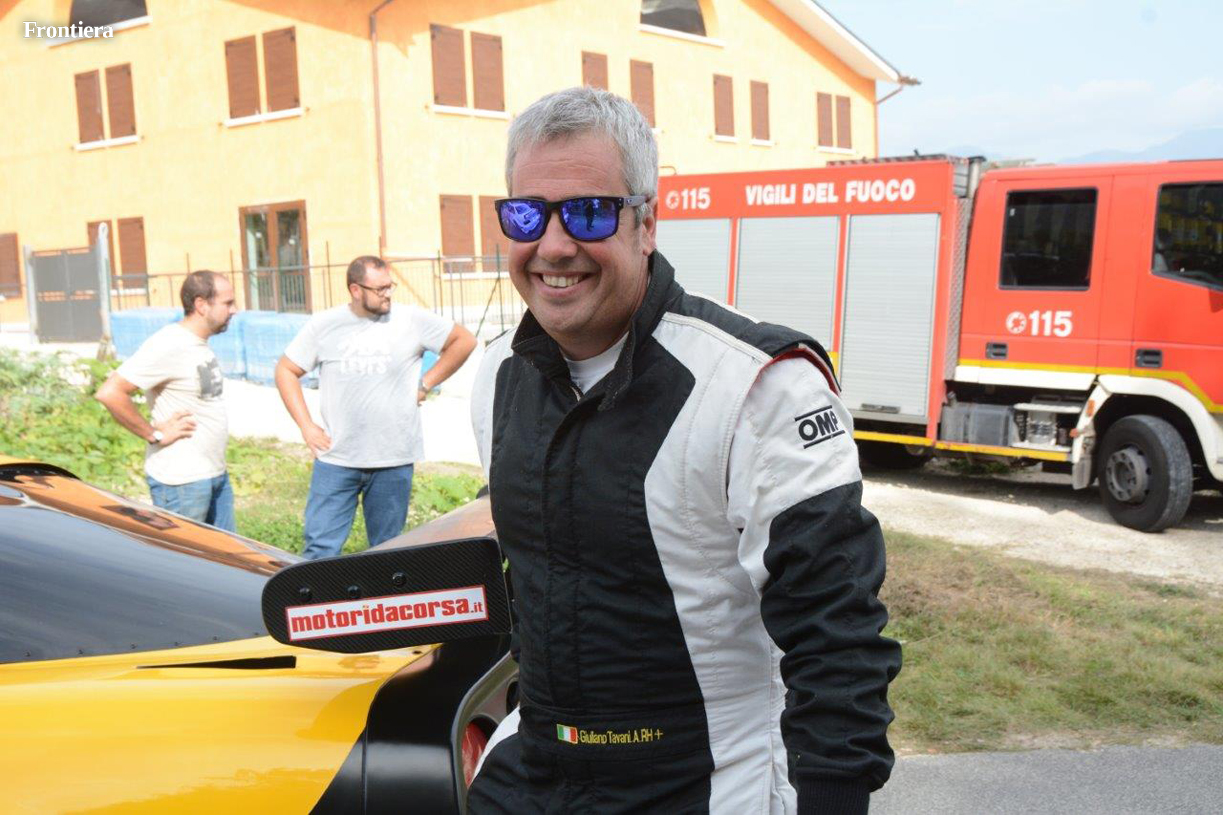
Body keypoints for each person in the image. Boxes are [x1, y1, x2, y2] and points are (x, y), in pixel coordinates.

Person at [467, 87, 901, 814]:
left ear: (646, 225)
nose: (554, 245)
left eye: (589, 212)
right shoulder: (497, 376)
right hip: (535, 768)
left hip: (703, 780)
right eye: (527, 215)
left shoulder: (759, 383)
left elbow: (836, 635)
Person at [275, 255, 476, 560]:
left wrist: (426, 383)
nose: (388, 294)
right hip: (337, 458)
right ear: (356, 290)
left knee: (387, 552)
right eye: (380, 289)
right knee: (320, 550)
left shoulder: (411, 319)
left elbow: (464, 340)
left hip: (393, 458)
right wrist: (306, 426)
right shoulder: (325, 325)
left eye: (390, 286)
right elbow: (286, 370)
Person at [96, 270, 237, 531]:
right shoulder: (169, 343)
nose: (234, 310)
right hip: (183, 483)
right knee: (183, 556)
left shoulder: (197, 343)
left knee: (227, 556)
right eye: (227, 303)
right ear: (201, 305)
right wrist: (154, 435)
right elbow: (110, 392)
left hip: (214, 474)